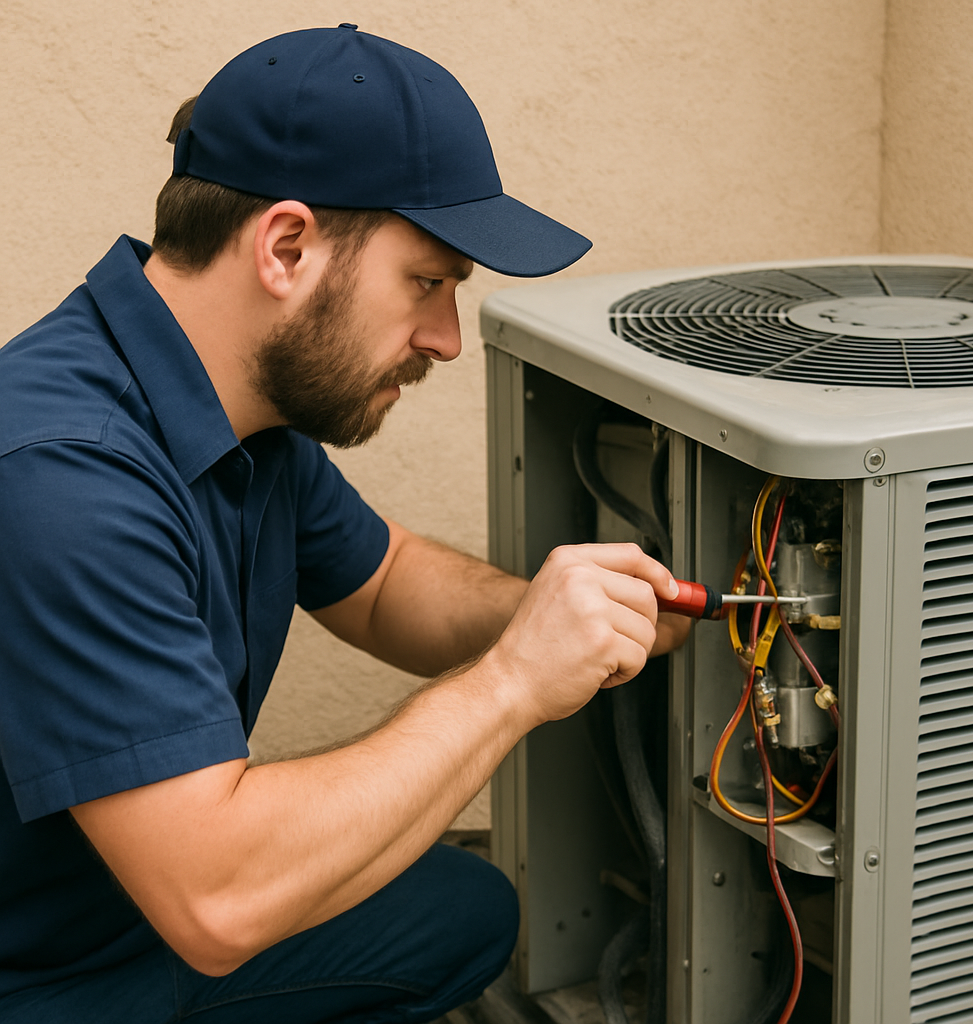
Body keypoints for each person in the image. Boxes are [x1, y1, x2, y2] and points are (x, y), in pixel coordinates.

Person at [0, 25, 690, 1024]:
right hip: (35, 973)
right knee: (253, 895)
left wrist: (552, 611)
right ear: (285, 247)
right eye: (428, 280)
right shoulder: (63, 476)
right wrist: (510, 684)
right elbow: (217, 899)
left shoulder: (242, 405)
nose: (448, 339)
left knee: (464, 911)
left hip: (129, 919)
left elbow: (381, 582)